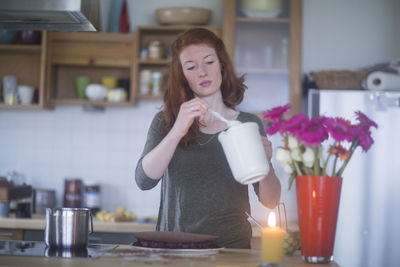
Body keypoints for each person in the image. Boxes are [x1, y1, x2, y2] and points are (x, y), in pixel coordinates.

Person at [135, 28, 281, 249]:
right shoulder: (166, 121)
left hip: (231, 249)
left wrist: (266, 165)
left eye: (209, 62)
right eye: (191, 67)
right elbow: (144, 181)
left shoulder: (247, 125)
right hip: (174, 248)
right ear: (182, 75)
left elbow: (270, 201)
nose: (202, 72)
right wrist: (177, 130)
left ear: (222, 65)